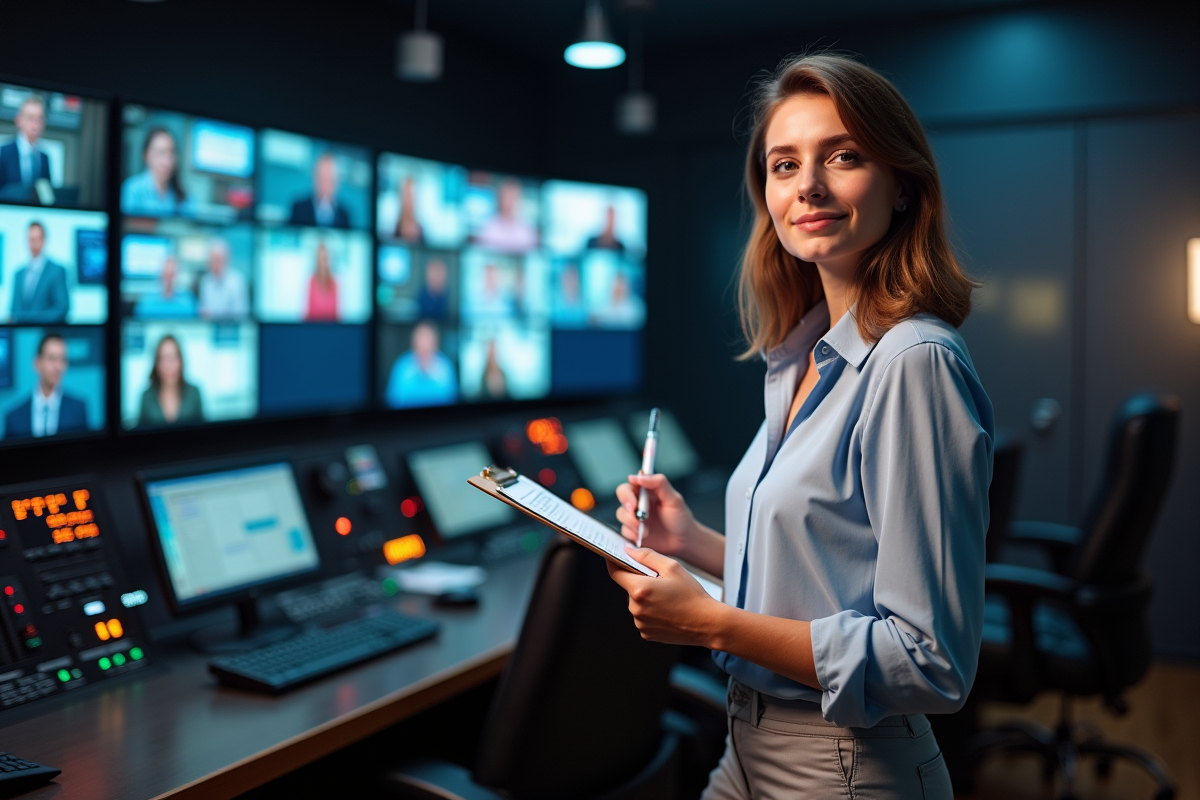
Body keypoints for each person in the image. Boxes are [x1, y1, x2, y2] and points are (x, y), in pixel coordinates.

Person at [605, 54, 991, 800]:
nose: (808, 184)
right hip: (748, 745)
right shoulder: (803, 357)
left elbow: (929, 661)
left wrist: (713, 622)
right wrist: (697, 546)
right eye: (785, 165)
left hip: (845, 765)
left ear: (903, 186)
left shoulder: (912, 361)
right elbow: (826, 573)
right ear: (768, 196)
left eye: (842, 157)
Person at [4, 333, 89, 439]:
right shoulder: (14, 417)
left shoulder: (78, 409)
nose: (58, 366)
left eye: (62, 359)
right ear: (37, 363)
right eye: (52, 358)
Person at [385, 321, 457, 408]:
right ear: (413, 344)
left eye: (427, 341)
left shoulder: (445, 368)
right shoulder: (402, 367)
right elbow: (393, 401)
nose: (424, 346)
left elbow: (452, 400)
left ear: (435, 344)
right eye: (420, 341)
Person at [11, 221, 69, 324]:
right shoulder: (18, 274)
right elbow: (14, 310)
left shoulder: (57, 271)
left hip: (47, 332)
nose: (33, 243)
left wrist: (26, 319)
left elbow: (61, 309)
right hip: (20, 335)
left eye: (37, 239)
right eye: (30, 239)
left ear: (44, 240)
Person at [137, 334, 203, 426]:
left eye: (173, 357)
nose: (169, 365)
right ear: (157, 363)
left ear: (181, 361)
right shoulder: (146, 397)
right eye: (164, 358)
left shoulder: (194, 393)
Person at [121, 127, 186, 217]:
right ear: (146, 155)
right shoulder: (132, 189)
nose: (167, 161)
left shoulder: (183, 196)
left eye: (171, 153)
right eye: (160, 152)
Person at [0, 95, 51, 200]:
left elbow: (46, 196)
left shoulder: (44, 158)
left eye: (40, 119)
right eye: (31, 118)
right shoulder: (4, 153)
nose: (36, 124)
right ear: (19, 120)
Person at [473, 178, 537, 253]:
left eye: (513, 196)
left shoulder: (528, 231)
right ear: (500, 197)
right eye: (506, 196)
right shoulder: (486, 226)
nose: (509, 201)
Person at [288, 153, 351, 228]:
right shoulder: (298, 208)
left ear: (337, 182)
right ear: (314, 178)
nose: (324, 185)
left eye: (329, 179)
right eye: (320, 178)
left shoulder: (345, 215)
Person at [198, 239, 249, 320]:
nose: (214, 263)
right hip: (210, 328)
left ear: (226, 259)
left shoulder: (237, 281)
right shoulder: (205, 281)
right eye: (212, 259)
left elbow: (240, 312)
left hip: (232, 328)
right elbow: (203, 310)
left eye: (218, 259)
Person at [304, 242, 340, 321]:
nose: (323, 263)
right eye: (320, 259)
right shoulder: (311, 282)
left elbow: (337, 315)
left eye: (325, 258)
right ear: (317, 260)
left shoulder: (335, 283)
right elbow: (308, 314)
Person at [551, 261, 589, 327]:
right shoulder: (553, 308)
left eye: (573, 277)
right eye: (567, 277)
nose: (570, 281)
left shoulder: (586, 308)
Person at [393, 175, 425, 244]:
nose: (408, 200)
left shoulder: (422, 231)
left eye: (411, 195)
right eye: (406, 195)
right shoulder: (392, 229)